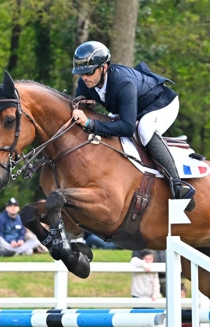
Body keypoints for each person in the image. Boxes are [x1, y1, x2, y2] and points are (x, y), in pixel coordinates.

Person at [70, 41, 195, 210]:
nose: (85, 78)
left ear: (104, 67)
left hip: (161, 104)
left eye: (89, 72)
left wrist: (90, 124)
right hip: (131, 108)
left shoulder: (123, 83)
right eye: (81, 73)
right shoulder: (85, 83)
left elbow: (127, 127)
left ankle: (178, 185)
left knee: (143, 129)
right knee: (107, 122)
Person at [129, 250, 161, 327]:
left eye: (150, 259)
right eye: (146, 258)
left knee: (146, 316)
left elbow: (156, 283)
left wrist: (155, 294)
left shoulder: (154, 270)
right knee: (134, 316)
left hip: (148, 297)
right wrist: (144, 265)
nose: (148, 260)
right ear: (142, 259)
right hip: (137, 295)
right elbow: (134, 260)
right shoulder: (138, 266)